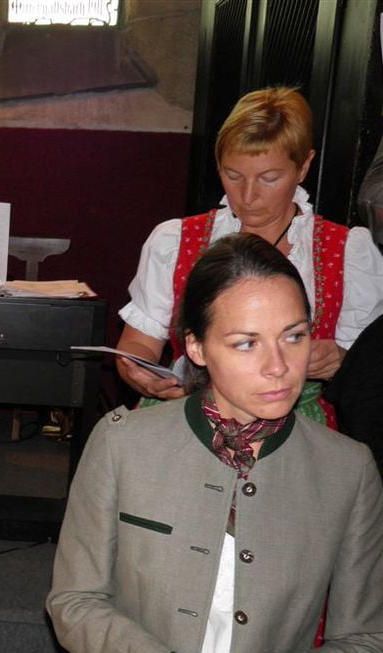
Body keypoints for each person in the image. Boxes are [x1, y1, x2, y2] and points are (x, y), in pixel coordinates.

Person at [47, 233, 383, 653]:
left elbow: (365, 642)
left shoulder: (348, 469)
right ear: (197, 348)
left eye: (294, 336)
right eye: (247, 343)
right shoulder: (122, 444)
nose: (278, 365)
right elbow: (75, 601)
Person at [116, 87, 383, 426]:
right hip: (189, 418)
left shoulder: (347, 251)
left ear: (303, 166)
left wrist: (342, 361)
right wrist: (141, 374)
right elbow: (137, 345)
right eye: (233, 175)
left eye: (269, 178)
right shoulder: (174, 241)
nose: (248, 196)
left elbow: (371, 376)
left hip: (298, 428)